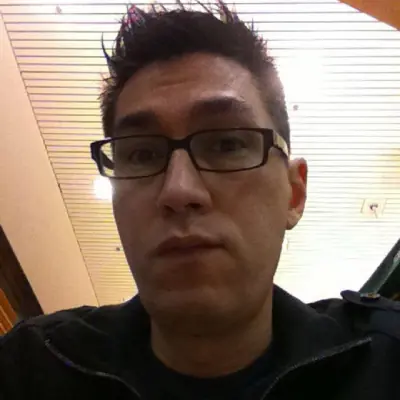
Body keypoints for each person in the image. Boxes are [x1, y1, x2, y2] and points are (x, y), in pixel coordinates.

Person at [1, 3, 400, 399]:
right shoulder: (30, 369)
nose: (179, 191)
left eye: (226, 144)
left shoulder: (386, 359)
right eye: (142, 154)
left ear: (293, 193)